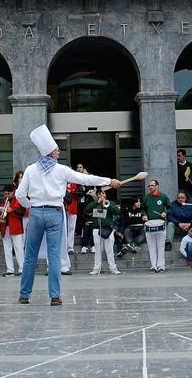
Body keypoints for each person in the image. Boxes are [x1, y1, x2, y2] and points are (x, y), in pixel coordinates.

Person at [15, 125, 118, 306]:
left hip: (37, 213)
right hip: (55, 213)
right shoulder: (61, 170)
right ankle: (55, 296)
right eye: (56, 149)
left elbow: (19, 195)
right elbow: (86, 179)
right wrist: (109, 181)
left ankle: (24, 295)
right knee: (54, 255)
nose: (59, 151)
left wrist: (31, 206)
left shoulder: (31, 169)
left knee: (30, 255)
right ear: (50, 152)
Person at [85, 189, 121, 275]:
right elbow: (87, 209)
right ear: (97, 196)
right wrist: (97, 202)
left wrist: (107, 204)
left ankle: (113, 268)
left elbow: (116, 211)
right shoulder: (94, 204)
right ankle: (96, 268)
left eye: (103, 193)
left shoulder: (110, 203)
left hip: (108, 229)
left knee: (110, 250)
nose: (102, 195)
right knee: (98, 250)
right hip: (97, 229)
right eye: (100, 194)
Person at [142, 179, 172, 273]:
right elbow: (142, 209)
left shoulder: (163, 197)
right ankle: (153, 266)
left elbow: (170, 208)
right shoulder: (146, 198)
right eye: (149, 186)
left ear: (157, 186)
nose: (150, 187)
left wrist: (165, 212)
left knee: (161, 246)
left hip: (160, 223)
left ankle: (161, 266)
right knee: (151, 247)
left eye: (152, 185)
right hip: (149, 223)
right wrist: (144, 215)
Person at [0, 183, 25, 276]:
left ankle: (22, 269)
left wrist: (12, 211)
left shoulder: (18, 200)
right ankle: (10, 270)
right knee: (7, 249)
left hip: (16, 227)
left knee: (19, 248)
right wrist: (0, 216)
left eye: (8, 194)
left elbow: (22, 212)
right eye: (5, 194)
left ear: (13, 192)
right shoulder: (3, 201)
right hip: (5, 227)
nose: (6, 196)